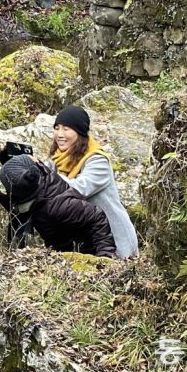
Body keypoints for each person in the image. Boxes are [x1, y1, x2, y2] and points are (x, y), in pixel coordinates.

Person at [50, 105, 139, 259]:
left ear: (80, 132)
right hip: (87, 241)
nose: (60, 134)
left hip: (116, 241)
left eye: (66, 129)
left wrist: (43, 174)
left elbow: (77, 189)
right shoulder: (58, 159)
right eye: (57, 128)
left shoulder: (98, 161)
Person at [0, 154, 116, 258]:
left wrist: (105, 255)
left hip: (85, 252)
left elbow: (97, 216)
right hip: (63, 247)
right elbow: (35, 168)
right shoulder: (41, 178)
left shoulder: (58, 206)